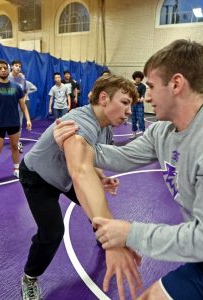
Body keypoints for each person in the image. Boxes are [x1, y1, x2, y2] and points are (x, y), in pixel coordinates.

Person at [54, 39, 203, 300]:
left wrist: (130, 234)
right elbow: (124, 156)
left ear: (176, 84)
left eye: (150, 86)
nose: (146, 96)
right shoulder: (164, 130)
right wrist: (77, 144)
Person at [19, 74, 142, 300]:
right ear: (104, 98)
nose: (128, 111)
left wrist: (101, 178)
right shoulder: (78, 122)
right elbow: (79, 172)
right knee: (52, 232)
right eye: (124, 103)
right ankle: (29, 277)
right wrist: (114, 240)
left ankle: (101, 236)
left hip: (63, 175)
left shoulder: (105, 128)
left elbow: (89, 161)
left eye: (130, 106)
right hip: (38, 177)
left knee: (95, 198)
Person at [0, 59, 31, 184]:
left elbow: (23, 105)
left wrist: (28, 119)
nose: (3, 70)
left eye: (5, 68)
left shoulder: (16, 87)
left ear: (9, 69)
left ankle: (16, 170)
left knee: (15, 147)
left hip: (14, 122)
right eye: (0, 68)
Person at [8, 59, 37, 153]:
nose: (18, 68)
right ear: (11, 66)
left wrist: (24, 98)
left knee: (19, 125)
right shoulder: (6, 77)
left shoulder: (22, 79)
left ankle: (17, 142)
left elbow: (24, 92)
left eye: (20, 66)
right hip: (9, 106)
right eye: (16, 65)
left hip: (19, 105)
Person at [131, 71, 146, 139]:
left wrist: (141, 98)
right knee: (133, 119)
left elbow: (143, 95)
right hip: (133, 104)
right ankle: (134, 134)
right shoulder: (132, 85)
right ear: (134, 78)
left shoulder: (143, 86)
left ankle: (143, 134)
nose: (138, 79)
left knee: (140, 119)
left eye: (139, 77)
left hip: (139, 104)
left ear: (141, 78)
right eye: (136, 77)